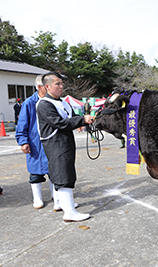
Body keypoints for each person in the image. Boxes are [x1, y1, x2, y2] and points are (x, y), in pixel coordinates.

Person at [36, 72, 93, 222]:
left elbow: (72, 117)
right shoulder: (44, 104)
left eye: (62, 83)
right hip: (55, 143)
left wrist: (81, 121)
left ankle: (65, 204)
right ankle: (69, 213)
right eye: (57, 84)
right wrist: (82, 120)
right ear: (47, 86)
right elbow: (59, 123)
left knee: (65, 172)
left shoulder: (63, 102)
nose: (61, 86)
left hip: (66, 141)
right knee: (63, 175)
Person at [15, 75, 51, 209]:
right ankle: (37, 198)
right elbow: (22, 124)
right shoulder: (29, 102)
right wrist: (23, 141)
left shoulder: (53, 100)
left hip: (52, 141)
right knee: (36, 172)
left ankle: (57, 196)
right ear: (40, 87)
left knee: (55, 171)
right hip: (35, 143)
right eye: (47, 85)